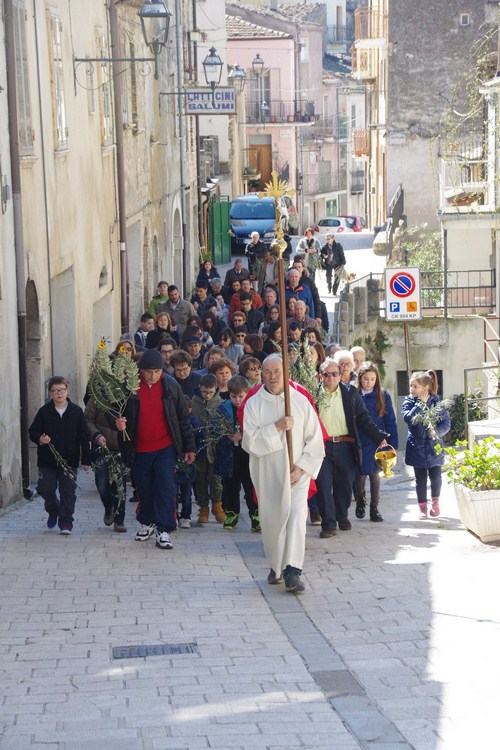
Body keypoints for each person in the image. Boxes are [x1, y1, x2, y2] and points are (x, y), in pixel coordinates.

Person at [242, 355, 325, 594]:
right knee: (273, 520)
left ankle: (293, 571)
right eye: (266, 371)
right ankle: (276, 566)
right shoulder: (254, 403)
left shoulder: (299, 400)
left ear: (285, 371)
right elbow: (249, 441)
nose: (272, 376)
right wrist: (276, 427)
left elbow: (315, 440)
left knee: (297, 515)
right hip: (269, 473)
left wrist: (301, 467)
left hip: (297, 474)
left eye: (276, 370)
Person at [116, 349, 195, 550]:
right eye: (149, 371)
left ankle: (164, 529)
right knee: (144, 487)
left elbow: (182, 418)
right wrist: (118, 423)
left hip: (165, 446)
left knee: (166, 486)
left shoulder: (171, 386)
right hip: (139, 448)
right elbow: (114, 411)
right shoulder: (130, 387)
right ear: (140, 370)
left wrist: (189, 447)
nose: (153, 375)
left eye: (157, 371)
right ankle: (148, 522)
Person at [315, 358, 389, 537]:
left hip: (345, 445)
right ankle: (328, 524)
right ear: (320, 376)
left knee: (345, 486)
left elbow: (363, 419)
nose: (331, 377)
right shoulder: (313, 395)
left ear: (340, 375)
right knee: (323, 486)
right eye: (326, 374)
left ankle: (341, 516)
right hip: (320, 447)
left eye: (334, 374)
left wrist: (379, 437)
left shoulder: (350, 393)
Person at [29, 376, 91, 534]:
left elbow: (84, 436)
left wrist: (86, 459)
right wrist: (40, 439)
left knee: (68, 491)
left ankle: (66, 522)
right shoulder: (44, 412)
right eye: (55, 391)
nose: (59, 394)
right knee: (45, 488)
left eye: (62, 390)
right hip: (47, 459)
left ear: (67, 391)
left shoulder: (76, 411)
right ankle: (53, 510)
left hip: (69, 459)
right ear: (50, 393)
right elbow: (33, 431)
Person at [402, 369, 451, 519]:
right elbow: (407, 418)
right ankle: (422, 507)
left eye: (415, 386)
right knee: (420, 479)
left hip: (434, 447)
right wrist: (420, 405)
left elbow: (446, 423)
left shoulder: (436, 402)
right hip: (416, 448)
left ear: (426, 388)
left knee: (436, 477)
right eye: (411, 386)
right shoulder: (409, 401)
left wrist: (436, 432)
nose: (412, 389)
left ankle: (435, 502)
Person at [354, 362, 399, 522]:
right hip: (359, 440)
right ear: (360, 379)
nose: (369, 382)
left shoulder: (382, 394)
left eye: (372, 379)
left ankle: (374, 508)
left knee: (375, 474)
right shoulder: (354, 394)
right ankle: (360, 501)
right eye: (366, 379)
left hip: (378, 440)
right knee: (359, 475)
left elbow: (390, 419)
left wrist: (391, 441)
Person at [214, 376, 259, 532]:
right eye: (234, 396)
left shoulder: (253, 408)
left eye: (241, 396)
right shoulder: (223, 409)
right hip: (230, 455)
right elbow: (215, 432)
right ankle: (232, 513)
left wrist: (245, 435)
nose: (238, 400)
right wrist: (227, 437)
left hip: (248, 453)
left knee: (250, 484)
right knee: (231, 486)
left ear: (247, 393)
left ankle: (256, 514)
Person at [190, 374, 225, 524]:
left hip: (215, 449)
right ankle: (203, 507)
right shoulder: (194, 402)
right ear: (200, 388)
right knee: (200, 479)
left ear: (216, 389)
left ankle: (217, 506)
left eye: (210, 392)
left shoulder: (220, 403)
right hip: (199, 448)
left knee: (215, 479)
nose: (207, 395)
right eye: (204, 392)